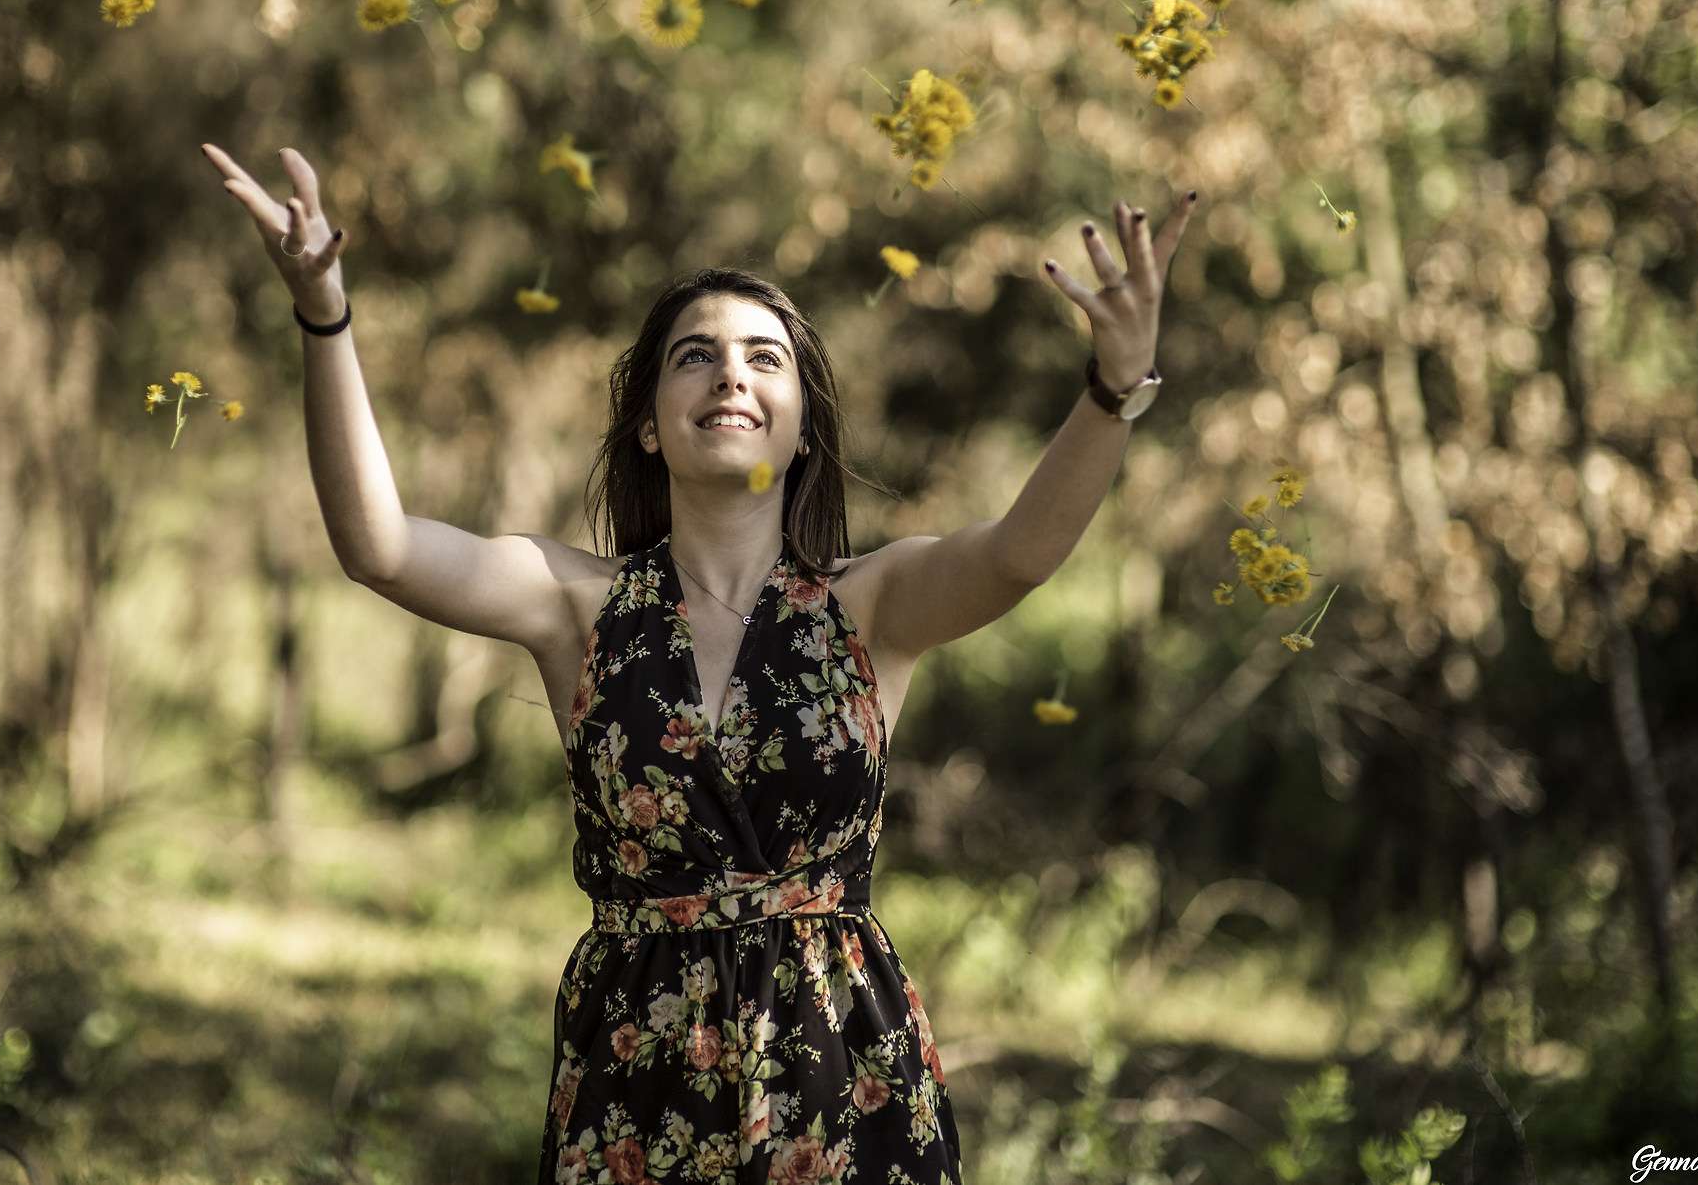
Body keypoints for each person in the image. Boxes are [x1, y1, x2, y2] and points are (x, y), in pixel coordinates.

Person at [205, 142, 1192, 1185]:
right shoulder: (572, 605)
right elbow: (381, 548)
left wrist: (1111, 389)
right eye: (696, 355)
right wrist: (325, 315)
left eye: (766, 358)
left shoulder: (874, 604)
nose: (732, 372)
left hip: (842, 1084)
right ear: (646, 424)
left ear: (802, 427)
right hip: (637, 1089)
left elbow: (1022, 552)